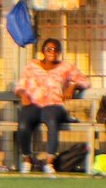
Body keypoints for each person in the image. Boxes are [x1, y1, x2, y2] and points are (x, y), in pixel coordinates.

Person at [15, 37, 88, 174]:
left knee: (51, 120)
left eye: (56, 50)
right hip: (34, 103)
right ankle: (27, 159)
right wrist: (23, 94)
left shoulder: (66, 67)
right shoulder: (32, 66)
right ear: (43, 51)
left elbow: (85, 82)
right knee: (23, 124)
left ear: (59, 52)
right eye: (49, 49)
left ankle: (49, 161)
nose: (52, 52)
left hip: (54, 105)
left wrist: (73, 86)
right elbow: (20, 86)